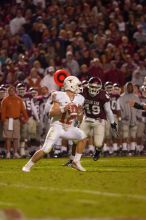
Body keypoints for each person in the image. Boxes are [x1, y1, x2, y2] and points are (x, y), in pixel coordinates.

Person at [22, 75, 87, 172]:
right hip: (57, 126)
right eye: (77, 85)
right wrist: (64, 108)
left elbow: (79, 119)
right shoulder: (59, 95)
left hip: (69, 127)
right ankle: (27, 166)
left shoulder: (80, 98)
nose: (79, 87)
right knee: (46, 149)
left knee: (82, 136)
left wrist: (80, 113)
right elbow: (51, 113)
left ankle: (76, 161)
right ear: (71, 85)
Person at [65, 77, 118, 165]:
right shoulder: (83, 92)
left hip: (99, 120)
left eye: (95, 87)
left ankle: (98, 150)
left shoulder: (103, 95)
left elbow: (108, 110)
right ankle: (73, 160)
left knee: (98, 143)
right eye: (91, 87)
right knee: (76, 140)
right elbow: (77, 104)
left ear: (100, 88)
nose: (93, 89)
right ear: (88, 86)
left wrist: (112, 123)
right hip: (87, 118)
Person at [1, 86, 28, 159]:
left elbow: (23, 110)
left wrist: (26, 118)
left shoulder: (19, 99)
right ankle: (8, 153)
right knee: (8, 138)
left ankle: (15, 152)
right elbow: (2, 111)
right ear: (8, 92)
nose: (11, 92)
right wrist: (3, 120)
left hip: (16, 120)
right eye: (9, 91)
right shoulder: (5, 100)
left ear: (15, 91)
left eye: (12, 91)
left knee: (16, 137)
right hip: (8, 120)